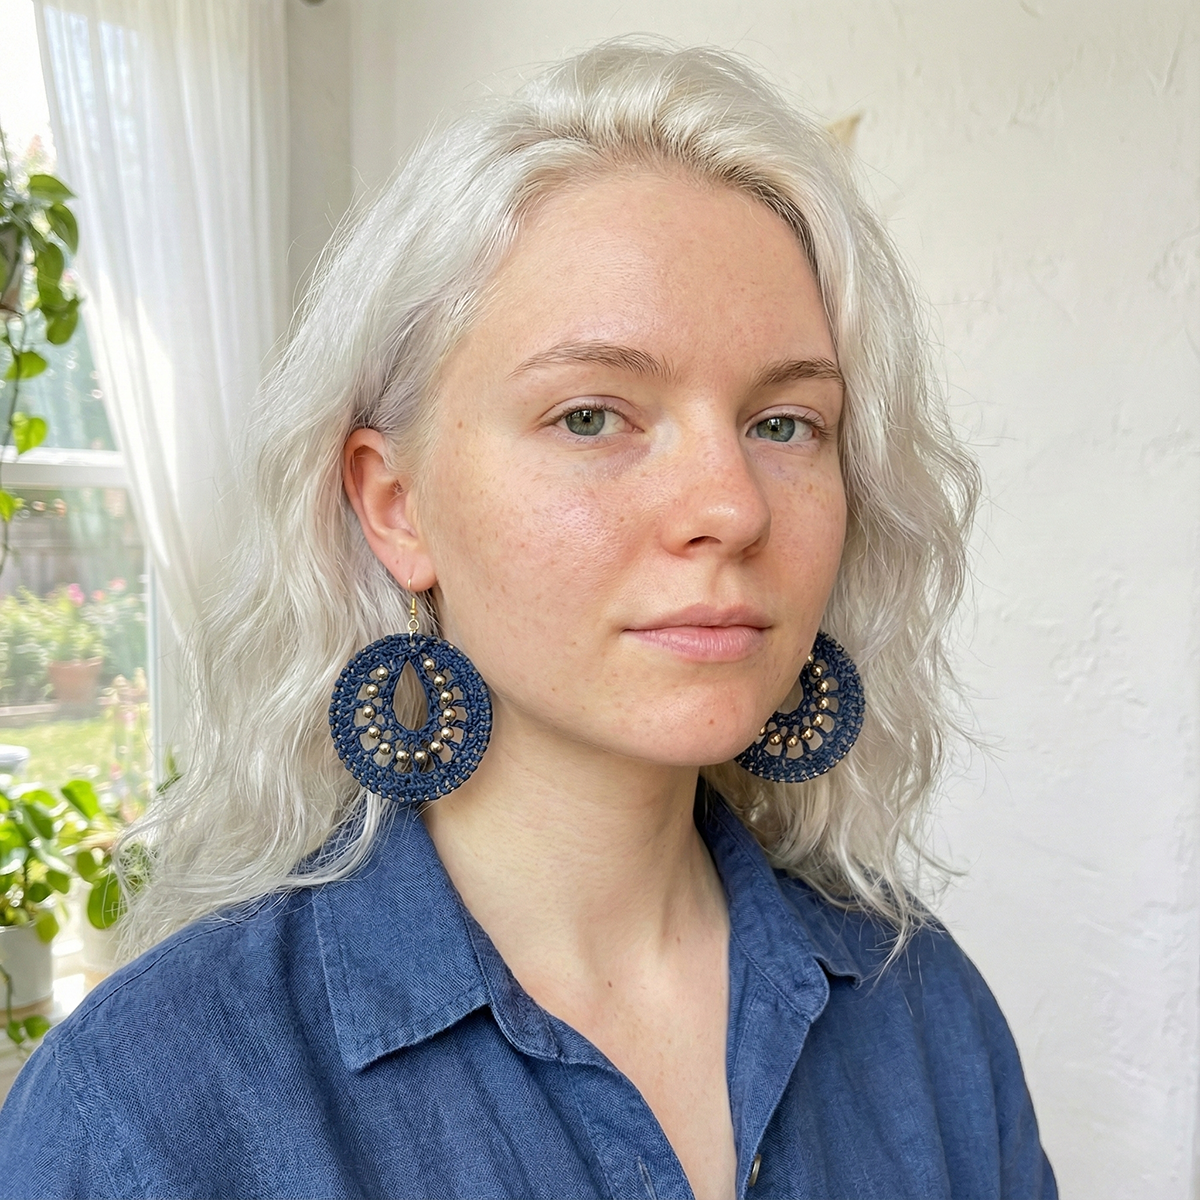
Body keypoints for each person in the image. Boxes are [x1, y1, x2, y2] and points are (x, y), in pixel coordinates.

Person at [1, 39, 1055, 1200]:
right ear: (394, 506)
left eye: (786, 423)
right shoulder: (147, 1109)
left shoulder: (925, 1010)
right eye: (594, 416)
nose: (730, 505)